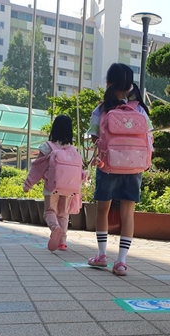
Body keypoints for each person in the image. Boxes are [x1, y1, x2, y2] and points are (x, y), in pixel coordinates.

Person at [86, 63, 152, 276]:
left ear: (108, 82)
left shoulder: (102, 109)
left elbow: (95, 137)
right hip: (134, 168)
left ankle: (102, 254)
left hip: (108, 166)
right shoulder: (140, 109)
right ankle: (121, 262)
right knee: (128, 212)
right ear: (130, 86)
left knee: (103, 209)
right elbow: (149, 137)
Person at [23, 115, 86, 252]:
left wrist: (28, 184)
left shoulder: (48, 147)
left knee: (49, 211)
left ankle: (55, 228)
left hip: (52, 187)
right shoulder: (73, 150)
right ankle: (62, 242)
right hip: (69, 188)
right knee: (63, 214)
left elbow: (37, 168)